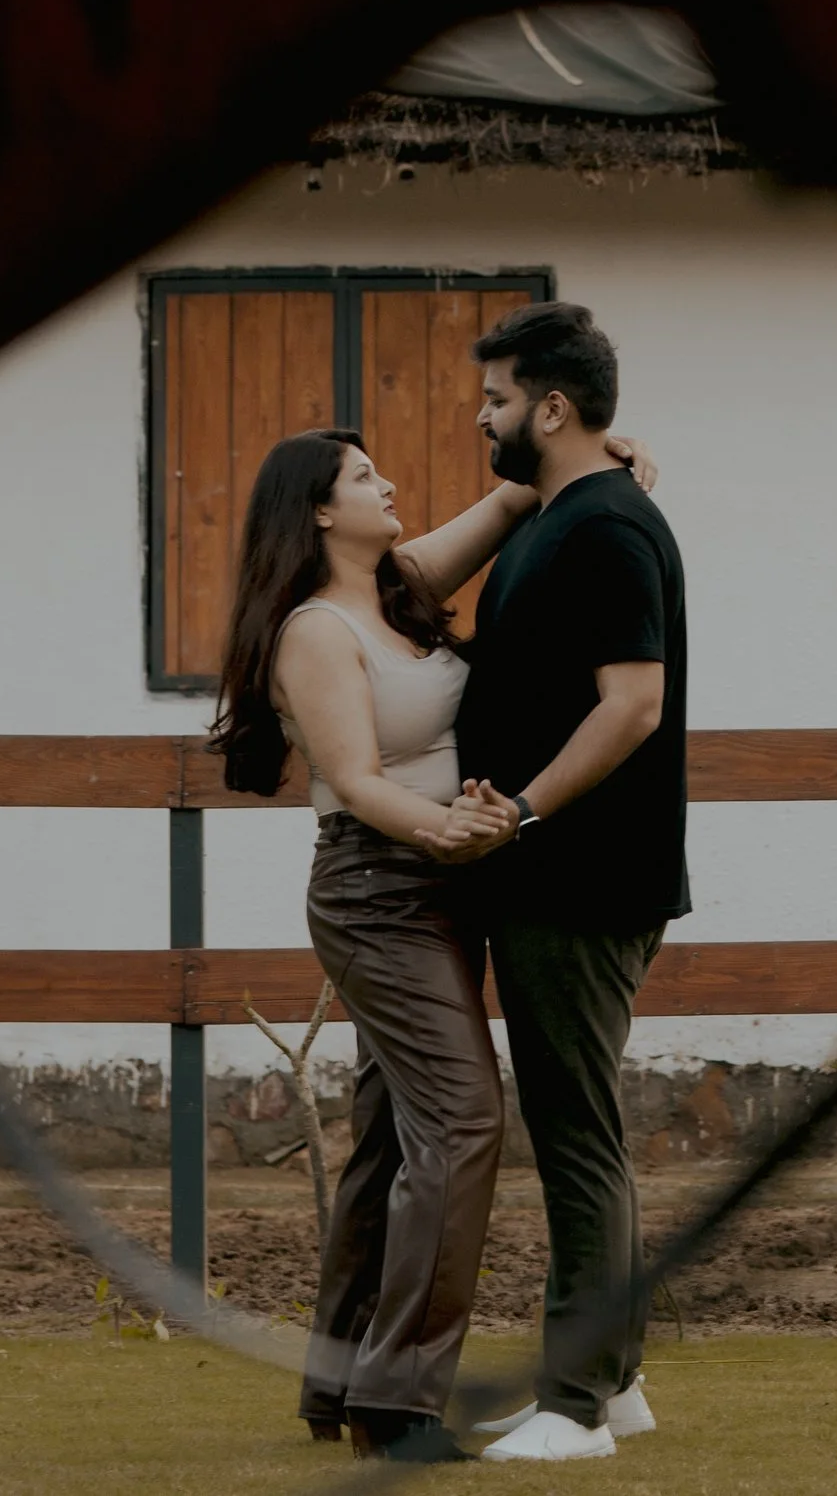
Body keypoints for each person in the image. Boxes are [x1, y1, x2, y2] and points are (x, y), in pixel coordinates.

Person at [212, 427, 524, 1466]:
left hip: (438, 884)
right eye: (362, 475)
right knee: (464, 1120)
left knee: (396, 1135)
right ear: (317, 509)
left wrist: (596, 444)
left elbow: (508, 503)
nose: (387, 483)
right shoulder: (315, 629)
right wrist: (453, 828)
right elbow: (354, 779)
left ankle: (341, 1378)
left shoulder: (396, 587)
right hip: (378, 893)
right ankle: (395, 1405)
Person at [453, 302, 688, 1467]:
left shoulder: (605, 525)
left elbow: (633, 703)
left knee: (577, 1139)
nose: (480, 417)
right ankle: (617, 1383)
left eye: (495, 398)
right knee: (580, 1130)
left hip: (579, 880)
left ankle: (578, 1405)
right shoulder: (567, 514)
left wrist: (526, 810)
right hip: (555, 875)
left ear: (550, 407)